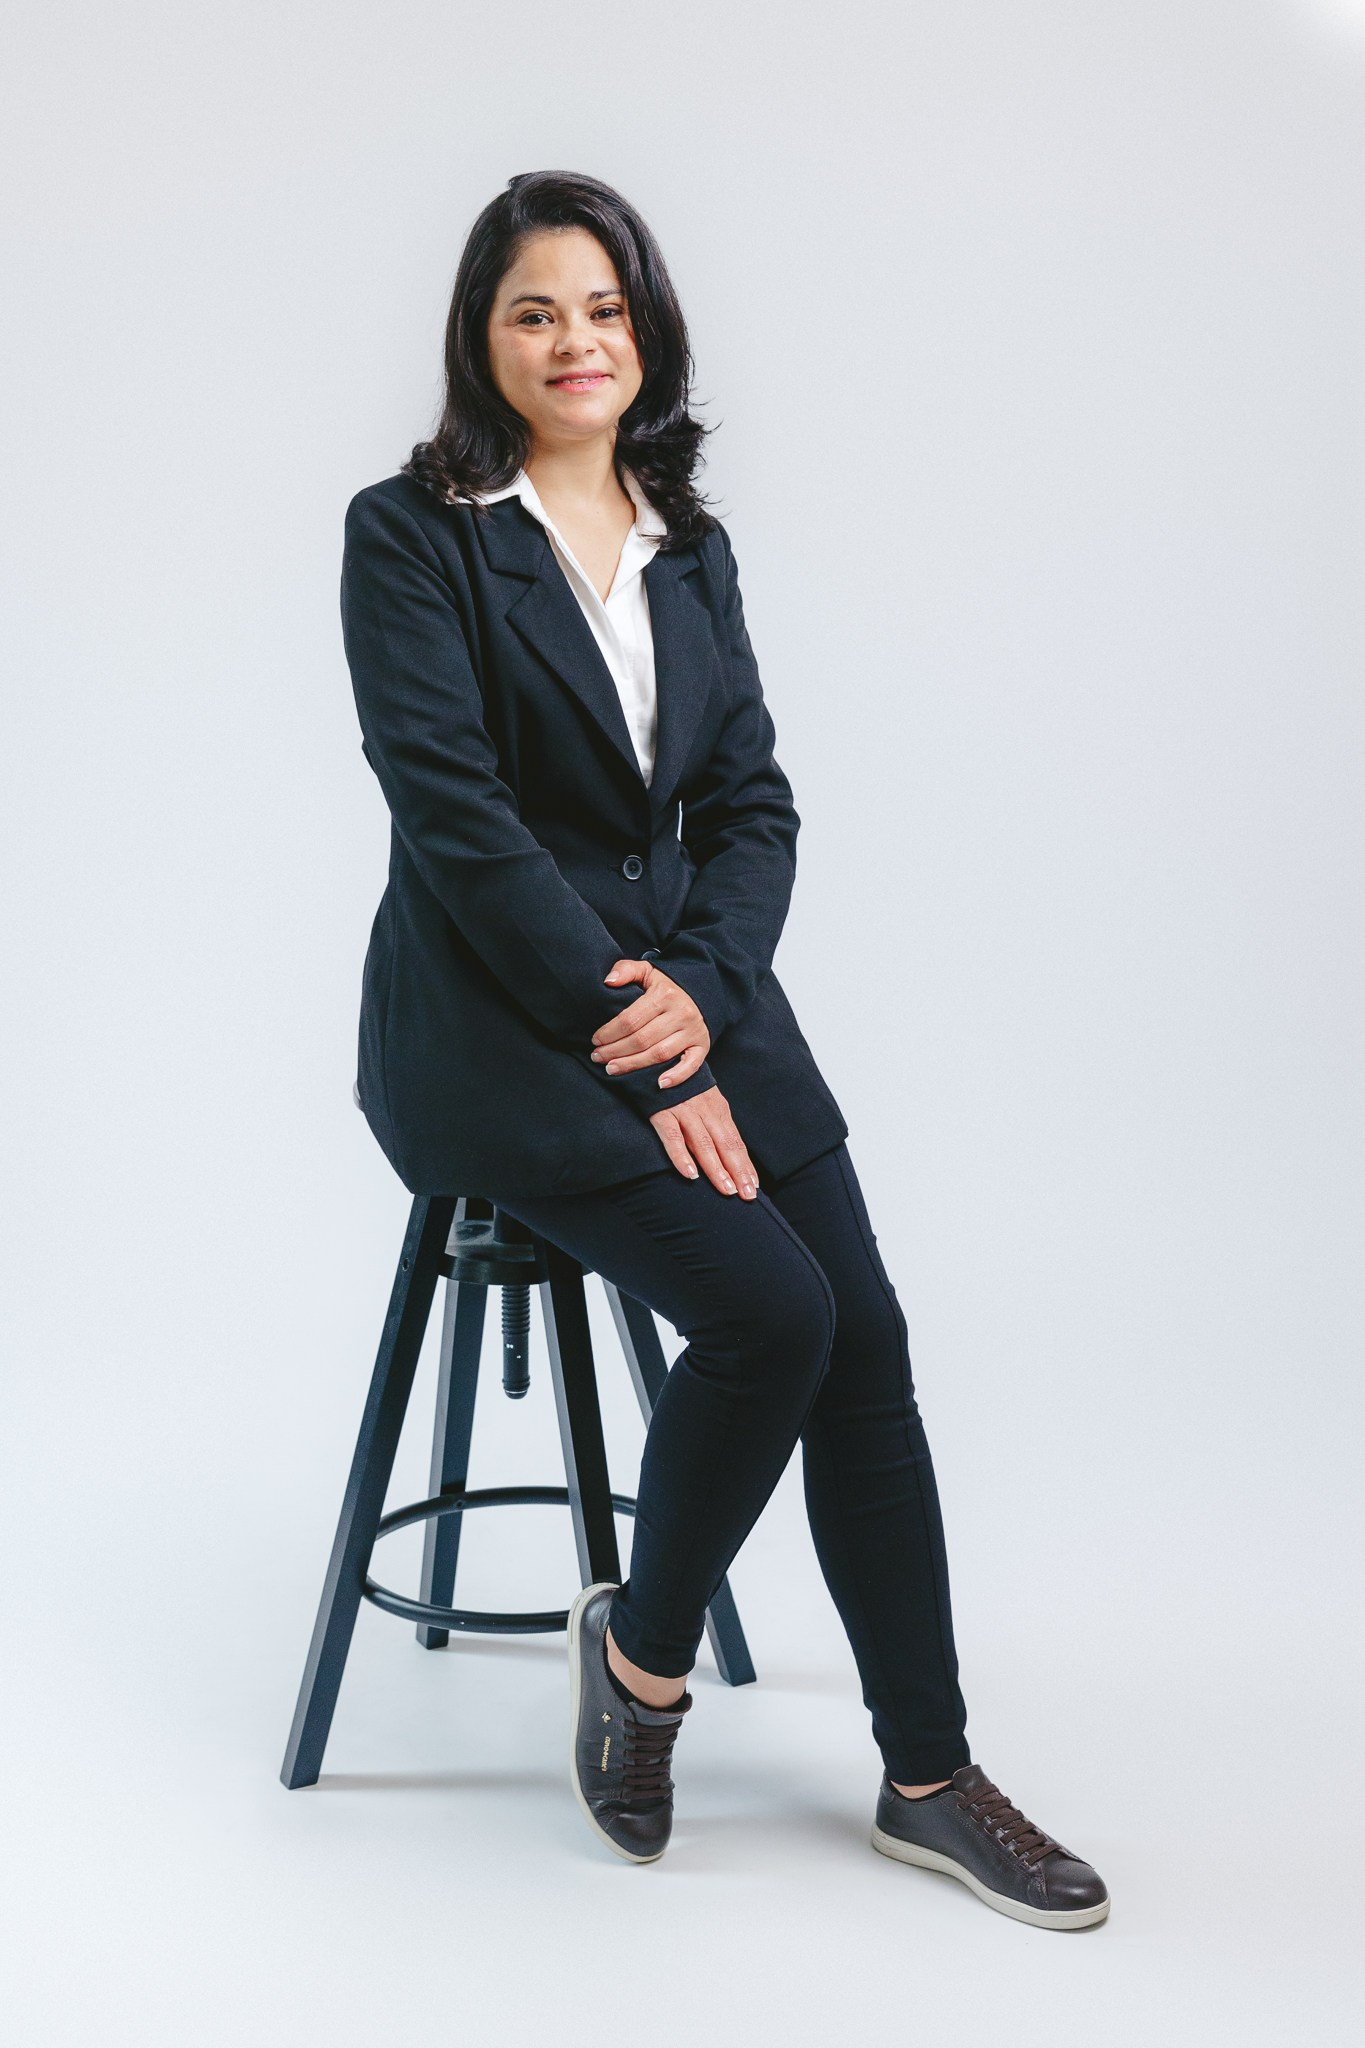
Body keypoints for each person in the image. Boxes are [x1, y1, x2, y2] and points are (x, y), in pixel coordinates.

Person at [340, 169, 1109, 1930]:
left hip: (694, 990)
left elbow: (749, 802)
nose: (576, 341)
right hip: (499, 1022)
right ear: (480, 337)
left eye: (604, 309)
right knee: (772, 1315)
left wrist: (701, 989)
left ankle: (928, 1776)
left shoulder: (687, 539)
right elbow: (456, 821)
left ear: (647, 330)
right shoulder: (411, 533)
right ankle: (645, 1663)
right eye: (535, 311)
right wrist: (646, 1040)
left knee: (865, 1339)